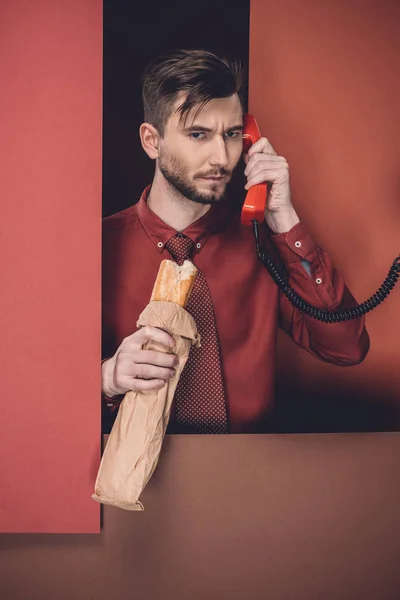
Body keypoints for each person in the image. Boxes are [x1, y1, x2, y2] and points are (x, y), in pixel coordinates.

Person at [101, 49, 370, 435]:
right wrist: (106, 377)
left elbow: (346, 348)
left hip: (249, 476)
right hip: (133, 481)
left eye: (231, 135)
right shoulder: (98, 248)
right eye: (198, 134)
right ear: (151, 141)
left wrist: (285, 220)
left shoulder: (261, 244)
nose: (222, 157)